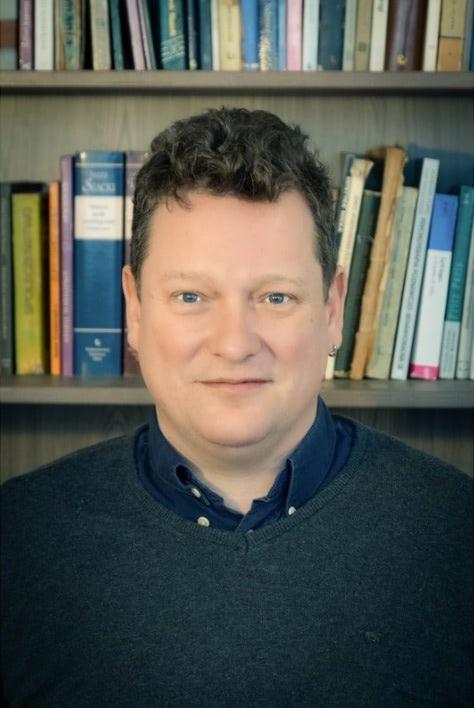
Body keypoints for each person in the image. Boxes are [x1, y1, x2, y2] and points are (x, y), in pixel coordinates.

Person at [1, 108, 472, 707]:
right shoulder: (17, 538)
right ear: (135, 310)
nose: (234, 343)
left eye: (275, 297)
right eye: (190, 295)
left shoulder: (458, 532)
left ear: (331, 310)